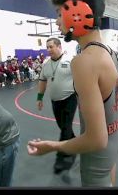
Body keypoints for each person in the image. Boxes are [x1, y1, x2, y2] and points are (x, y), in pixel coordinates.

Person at [27, 0, 118, 187]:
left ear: (78, 14)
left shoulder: (84, 60)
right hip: (116, 137)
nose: (57, 21)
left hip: (98, 153)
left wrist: (52, 146)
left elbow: (97, 139)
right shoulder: (111, 53)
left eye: (59, 14)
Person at [36, 37, 78, 174]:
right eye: (47, 47)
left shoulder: (70, 60)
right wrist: (39, 98)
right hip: (55, 101)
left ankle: (62, 157)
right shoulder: (46, 64)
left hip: (69, 98)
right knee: (63, 126)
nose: (48, 50)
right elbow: (42, 81)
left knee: (65, 128)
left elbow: (81, 79)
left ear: (59, 46)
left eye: (51, 47)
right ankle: (75, 143)